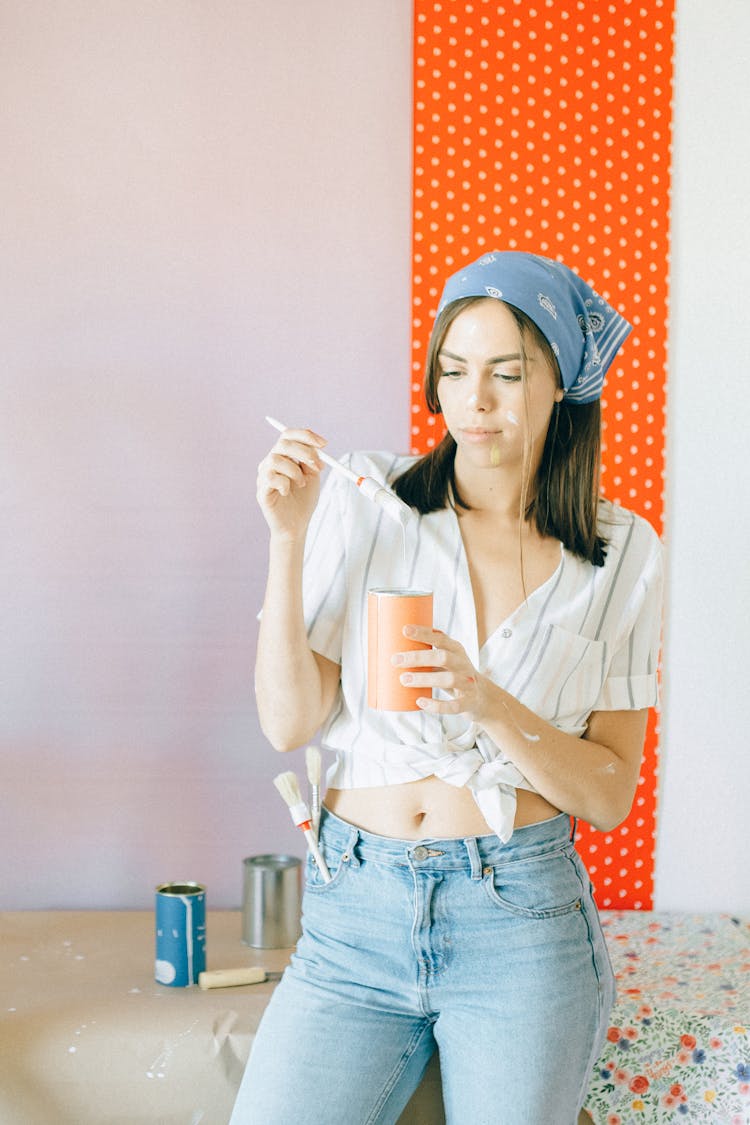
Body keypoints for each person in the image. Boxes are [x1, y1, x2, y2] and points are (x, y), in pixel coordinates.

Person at [231, 251, 663, 1125]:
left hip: (521, 924)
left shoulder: (622, 555)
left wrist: (489, 702)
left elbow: (610, 792)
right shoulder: (365, 500)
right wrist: (286, 537)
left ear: (560, 387)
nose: (477, 400)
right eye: (455, 371)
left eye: (507, 373)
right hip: (355, 915)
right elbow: (289, 722)